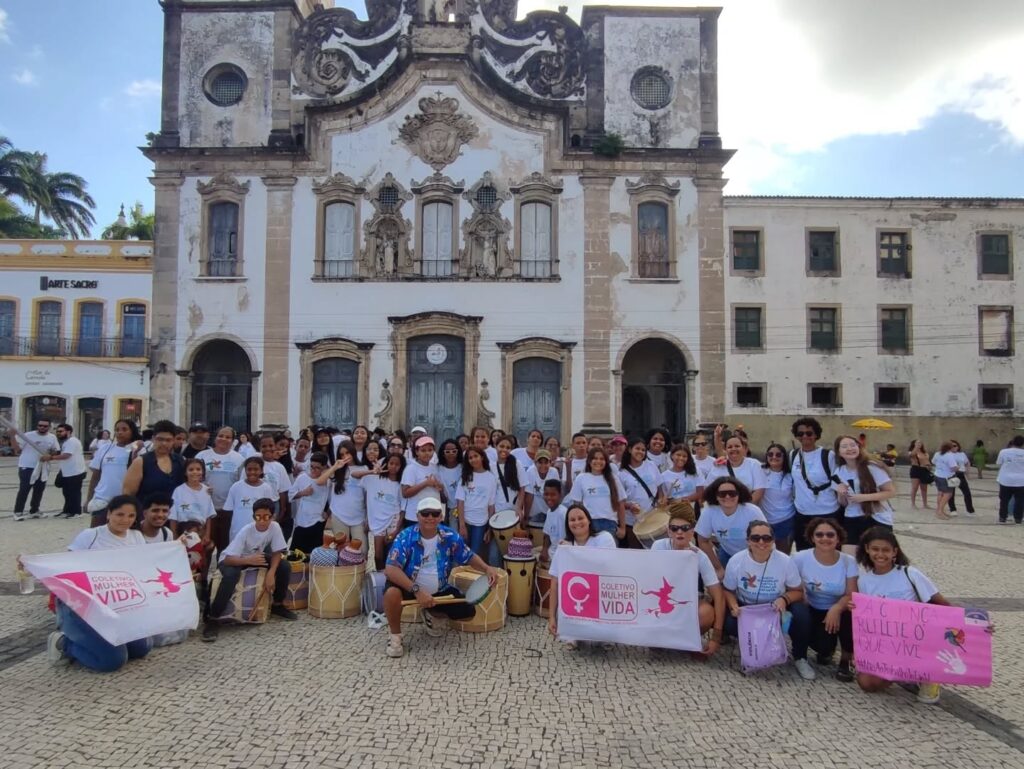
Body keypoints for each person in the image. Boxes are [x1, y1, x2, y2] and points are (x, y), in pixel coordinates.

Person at [851, 527, 994, 703]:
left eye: (886, 550)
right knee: (867, 683)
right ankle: (902, 672)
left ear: (895, 551)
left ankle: (928, 674)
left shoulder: (910, 574)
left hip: (917, 642)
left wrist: (975, 625)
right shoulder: (864, 581)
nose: (880, 554)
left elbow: (943, 604)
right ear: (867, 549)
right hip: (888, 645)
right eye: (875, 549)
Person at [38, 495, 152, 671]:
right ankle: (64, 643)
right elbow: (64, 566)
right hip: (82, 607)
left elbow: (147, 566)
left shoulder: (137, 537)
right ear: (108, 514)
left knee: (141, 648)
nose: (125, 520)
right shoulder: (90, 536)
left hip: (116, 605)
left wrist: (178, 546)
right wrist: (32, 563)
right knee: (112, 661)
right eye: (119, 514)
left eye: (131, 516)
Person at [382, 498, 502, 658]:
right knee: (391, 594)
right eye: (425, 513)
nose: (430, 517)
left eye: (435, 513)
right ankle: (395, 637)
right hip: (409, 587)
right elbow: (390, 569)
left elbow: (468, 556)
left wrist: (487, 569)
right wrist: (417, 591)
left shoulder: (450, 536)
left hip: (440, 589)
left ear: (441, 516)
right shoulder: (405, 537)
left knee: (468, 611)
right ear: (417, 516)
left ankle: (431, 612)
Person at [202, 498, 298, 642]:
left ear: (272, 516)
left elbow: (278, 551)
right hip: (234, 560)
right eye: (258, 517)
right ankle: (213, 618)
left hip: (255, 557)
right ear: (253, 516)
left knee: (284, 566)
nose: (262, 521)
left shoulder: (275, 527)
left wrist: (271, 573)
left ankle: (278, 604)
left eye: (267, 517)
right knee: (231, 576)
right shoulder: (246, 531)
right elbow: (228, 559)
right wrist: (249, 560)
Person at [722, 520, 809, 679]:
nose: (761, 542)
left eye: (766, 538)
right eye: (755, 538)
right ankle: (746, 646)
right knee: (728, 622)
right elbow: (727, 590)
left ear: (773, 540)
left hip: (774, 609)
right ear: (748, 540)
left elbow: (798, 591)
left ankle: (800, 657)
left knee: (802, 614)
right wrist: (734, 606)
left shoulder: (784, 561)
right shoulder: (736, 560)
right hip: (746, 609)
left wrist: (784, 598)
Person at [649, 502, 726, 657]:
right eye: (674, 528)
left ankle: (685, 640)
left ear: (692, 531)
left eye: (685, 528)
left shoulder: (699, 556)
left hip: (687, 602)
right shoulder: (658, 546)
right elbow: (650, 577)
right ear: (668, 531)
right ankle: (661, 637)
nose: (680, 532)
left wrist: (716, 637)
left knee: (706, 613)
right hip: (662, 601)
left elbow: (718, 596)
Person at [791, 518, 857, 681]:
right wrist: (802, 595)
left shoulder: (848, 562)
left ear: (838, 538)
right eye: (819, 534)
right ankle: (811, 651)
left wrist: (836, 608)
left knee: (851, 608)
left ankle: (846, 660)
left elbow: (851, 593)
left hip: (838, 610)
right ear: (812, 538)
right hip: (811, 608)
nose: (824, 538)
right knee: (821, 645)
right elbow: (791, 585)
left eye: (830, 534)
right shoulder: (799, 558)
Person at [547, 503, 618, 649]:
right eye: (572, 520)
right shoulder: (564, 548)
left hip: (600, 594)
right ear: (567, 524)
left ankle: (605, 633)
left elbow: (603, 564)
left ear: (589, 520)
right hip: (577, 598)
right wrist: (552, 617)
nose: (577, 522)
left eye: (581, 518)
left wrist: (573, 551)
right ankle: (573, 632)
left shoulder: (604, 538)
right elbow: (554, 583)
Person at [695, 477, 766, 578]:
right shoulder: (709, 512)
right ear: (715, 496)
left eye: (732, 493)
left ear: (739, 494)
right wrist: (718, 567)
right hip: (727, 553)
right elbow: (702, 540)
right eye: (722, 494)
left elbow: (766, 539)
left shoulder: (753, 512)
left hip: (753, 554)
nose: (727, 496)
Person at [832, 434, 895, 548]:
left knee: (876, 558)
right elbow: (843, 503)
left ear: (859, 447)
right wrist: (841, 494)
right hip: (852, 517)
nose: (850, 448)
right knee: (850, 559)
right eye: (845, 446)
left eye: (853, 445)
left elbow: (890, 492)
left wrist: (863, 497)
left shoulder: (872, 467)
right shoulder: (839, 472)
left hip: (876, 517)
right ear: (839, 452)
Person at [788, 418, 840, 551]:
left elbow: (838, 482)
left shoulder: (828, 456)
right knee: (804, 551)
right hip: (803, 513)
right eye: (800, 434)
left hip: (827, 513)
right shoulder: (793, 455)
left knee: (829, 550)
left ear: (816, 435)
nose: (805, 436)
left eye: (809, 433)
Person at [85, 419, 142, 527]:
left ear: (132, 431)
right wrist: (89, 498)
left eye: (124, 429)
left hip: (124, 500)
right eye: (117, 430)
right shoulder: (105, 449)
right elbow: (96, 476)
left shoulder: (137, 450)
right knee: (97, 531)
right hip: (102, 499)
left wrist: (137, 447)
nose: (120, 432)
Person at [196, 426, 244, 549]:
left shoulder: (238, 459)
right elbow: (192, 478)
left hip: (228, 510)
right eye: (221, 436)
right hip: (205, 510)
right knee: (205, 547)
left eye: (228, 437)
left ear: (233, 441)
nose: (224, 439)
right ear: (215, 438)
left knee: (225, 546)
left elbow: (242, 483)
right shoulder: (202, 456)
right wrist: (202, 486)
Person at [564, 446, 626, 540]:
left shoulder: (613, 478)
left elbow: (621, 504)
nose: (598, 461)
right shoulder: (581, 478)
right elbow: (577, 505)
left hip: (609, 525)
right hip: (588, 524)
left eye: (602, 459)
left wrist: (623, 528)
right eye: (595, 458)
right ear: (589, 461)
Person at [288, 452, 343, 555]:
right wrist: (303, 493)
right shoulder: (302, 478)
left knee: (314, 554)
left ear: (324, 468)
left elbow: (333, 500)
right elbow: (290, 496)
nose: (313, 470)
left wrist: (328, 513)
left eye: (317, 468)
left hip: (317, 521)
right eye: (311, 467)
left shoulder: (328, 482)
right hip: (301, 521)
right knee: (295, 554)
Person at [169, 457, 216, 576]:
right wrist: (174, 535)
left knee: (199, 563)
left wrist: (207, 535)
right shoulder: (179, 491)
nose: (195, 472)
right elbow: (173, 516)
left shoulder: (206, 491)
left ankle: (201, 587)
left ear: (203, 472)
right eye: (191, 469)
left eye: (198, 469)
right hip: (183, 531)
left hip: (200, 531)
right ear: (185, 472)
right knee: (184, 563)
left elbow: (208, 516)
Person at [123, 420, 186, 505]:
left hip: (174, 515)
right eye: (160, 439)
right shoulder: (141, 462)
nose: (164, 443)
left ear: (173, 440)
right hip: (146, 514)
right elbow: (128, 495)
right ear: (153, 439)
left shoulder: (179, 460)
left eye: (168, 440)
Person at [11, 417, 60, 520]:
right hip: (27, 466)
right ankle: (18, 512)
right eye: (40, 425)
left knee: (39, 489)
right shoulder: (28, 436)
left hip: (43, 467)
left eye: (45, 426)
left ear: (49, 427)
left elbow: (55, 451)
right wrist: (12, 436)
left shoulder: (52, 437)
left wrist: (50, 455)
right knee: (24, 489)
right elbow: (17, 450)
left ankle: (34, 510)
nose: (42, 427)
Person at [455, 446, 498, 560]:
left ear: (482, 457)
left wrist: (489, 528)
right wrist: (462, 524)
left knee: (474, 555)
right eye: (470, 458)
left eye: (476, 456)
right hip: (466, 520)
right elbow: (460, 501)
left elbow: (491, 505)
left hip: (481, 522)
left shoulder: (491, 478)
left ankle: (472, 577)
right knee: (461, 553)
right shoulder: (465, 477)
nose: (473, 460)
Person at [363, 453, 405, 570]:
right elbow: (355, 475)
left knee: (392, 554)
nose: (393, 467)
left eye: (397, 464)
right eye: (391, 463)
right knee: (378, 555)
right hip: (377, 522)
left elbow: (403, 509)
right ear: (386, 463)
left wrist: (397, 529)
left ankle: (391, 577)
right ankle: (380, 576)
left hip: (393, 520)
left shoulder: (401, 485)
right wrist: (372, 471)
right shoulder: (375, 479)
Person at [620, 438, 664, 548]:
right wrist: (629, 506)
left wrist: (662, 499)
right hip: (633, 522)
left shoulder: (651, 465)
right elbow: (618, 501)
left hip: (653, 517)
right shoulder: (621, 473)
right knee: (637, 553)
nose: (640, 452)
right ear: (630, 450)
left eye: (643, 450)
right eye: (637, 449)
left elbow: (660, 488)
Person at [223, 456, 276, 544]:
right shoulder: (236, 487)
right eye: (249, 469)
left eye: (256, 469)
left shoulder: (266, 488)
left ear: (261, 470)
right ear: (245, 470)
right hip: (237, 531)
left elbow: (269, 511)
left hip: (258, 532)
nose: (252, 472)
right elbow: (229, 510)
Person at [705, 429, 766, 505]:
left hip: (746, 509)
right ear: (726, 450)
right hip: (722, 509)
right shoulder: (719, 465)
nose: (733, 449)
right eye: (730, 447)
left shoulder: (753, 464)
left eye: (737, 446)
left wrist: (745, 508)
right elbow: (708, 488)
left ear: (743, 448)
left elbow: (759, 490)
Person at [327, 440, 367, 552]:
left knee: (361, 550)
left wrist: (368, 517)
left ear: (353, 453)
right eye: (342, 454)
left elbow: (367, 494)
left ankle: (361, 570)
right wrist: (335, 467)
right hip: (338, 514)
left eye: (348, 453)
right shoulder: (336, 470)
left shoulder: (363, 469)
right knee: (342, 548)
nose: (345, 456)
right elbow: (321, 481)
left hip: (358, 516)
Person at [401, 435, 444, 528]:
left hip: (433, 516)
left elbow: (440, 490)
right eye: (423, 450)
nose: (427, 453)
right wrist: (425, 484)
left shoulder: (434, 467)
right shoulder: (411, 469)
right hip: (415, 516)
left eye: (430, 450)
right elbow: (405, 493)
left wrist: (439, 487)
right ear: (416, 452)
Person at [759, 443, 796, 553]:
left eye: (778, 455)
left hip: (786, 521)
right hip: (764, 522)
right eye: (770, 454)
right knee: (764, 553)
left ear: (784, 457)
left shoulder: (791, 476)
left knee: (783, 555)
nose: (774, 457)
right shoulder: (759, 471)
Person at [54, 423, 87, 518]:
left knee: (74, 493)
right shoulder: (65, 442)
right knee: (67, 493)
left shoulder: (72, 441)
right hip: (67, 472)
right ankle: (67, 510)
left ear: (68, 432)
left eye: (61, 431)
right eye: (57, 431)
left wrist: (51, 457)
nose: (58, 433)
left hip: (75, 472)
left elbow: (66, 455)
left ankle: (76, 512)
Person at [523, 449, 562, 524]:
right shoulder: (530, 471)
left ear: (550, 463)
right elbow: (529, 496)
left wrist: (554, 514)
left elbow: (556, 495)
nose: (543, 465)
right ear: (535, 463)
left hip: (549, 512)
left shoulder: (554, 472)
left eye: (546, 462)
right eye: (540, 463)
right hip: (533, 514)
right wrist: (526, 517)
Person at [996, 436, 1024, 524]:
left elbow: (999, 463)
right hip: (1021, 481)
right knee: (1020, 500)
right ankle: (1018, 518)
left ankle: (1002, 517)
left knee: (1004, 500)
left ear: (1013, 442)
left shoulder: (1004, 452)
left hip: (1005, 480)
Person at [435, 439, 463, 525]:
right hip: (445, 507)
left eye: (454, 451)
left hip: (462, 507)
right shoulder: (438, 468)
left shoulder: (463, 467)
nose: (451, 453)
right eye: (447, 451)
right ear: (443, 453)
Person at [539, 479, 567, 565]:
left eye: (553, 495)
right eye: (546, 494)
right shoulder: (549, 511)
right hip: (552, 550)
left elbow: (566, 541)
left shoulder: (563, 513)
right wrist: (544, 550)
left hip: (560, 554)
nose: (549, 498)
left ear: (560, 495)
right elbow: (547, 534)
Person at [931, 441, 959, 520]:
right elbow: (953, 467)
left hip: (937, 475)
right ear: (950, 448)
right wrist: (958, 468)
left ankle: (939, 510)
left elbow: (933, 462)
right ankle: (940, 511)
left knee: (940, 493)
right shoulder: (949, 455)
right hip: (946, 477)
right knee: (948, 494)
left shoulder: (937, 454)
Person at [946, 439, 974, 516]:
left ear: (958, 446)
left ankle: (970, 510)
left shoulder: (962, 454)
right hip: (951, 474)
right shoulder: (947, 454)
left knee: (967, 492)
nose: (953, 447)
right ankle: (953, 509)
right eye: (951, 446)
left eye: (955, 445)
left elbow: (967, 463)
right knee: (951, 493)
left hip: (961, 474)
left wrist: (968, 474)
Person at [907, 439, 933, 509]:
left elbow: (927, 461)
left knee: (924, 488)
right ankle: (913, 504)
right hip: (916, 469)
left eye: (920, 443)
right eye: (917, 443)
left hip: (924, 470)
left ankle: (925, 504)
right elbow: (912, 455)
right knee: (914, 487)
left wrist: (929, 466)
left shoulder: (925, 453)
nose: (919, 444)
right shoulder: (911, 452)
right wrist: (916, 447)